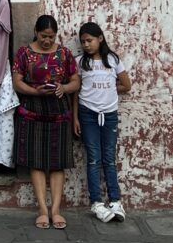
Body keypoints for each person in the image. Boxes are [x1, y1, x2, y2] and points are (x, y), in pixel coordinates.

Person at [12, 15, 80, 229]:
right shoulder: (24, 53)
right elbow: (16, 82)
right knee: (37, 161)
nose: (47, 41)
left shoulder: (64, 54)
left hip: (59, 112)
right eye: (43, 36)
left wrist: (64, 88)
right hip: (32, 110)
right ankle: (42, 209)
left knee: (58, 162)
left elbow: (75, 80)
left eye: (51, 37)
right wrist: (35, 91)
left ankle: (56, 210)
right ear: (35, 31)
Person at [73, 21, 131, 223]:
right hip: (87, 114)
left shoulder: (112, 60)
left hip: (109, 114)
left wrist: (108, 91)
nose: (86, 45)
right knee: (93, 158)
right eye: (83, 42)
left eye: (89, 40)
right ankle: (97, 202)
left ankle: (115, 200)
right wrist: (75, 118)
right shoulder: (80, 62)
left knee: (108, 158)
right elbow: (76, 92)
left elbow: (126, 84)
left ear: (100, 39)